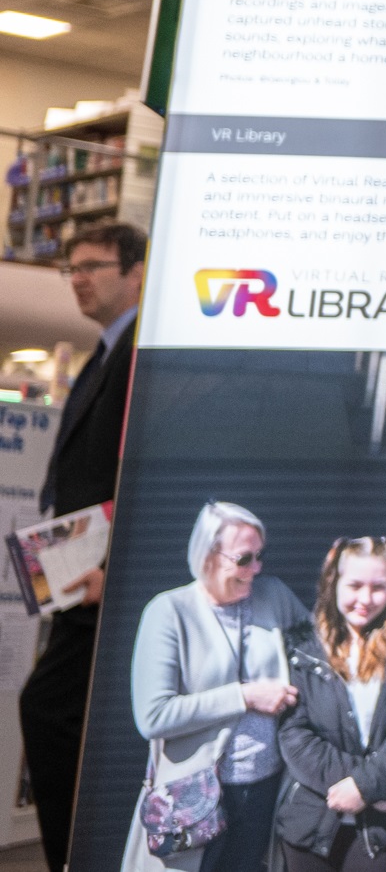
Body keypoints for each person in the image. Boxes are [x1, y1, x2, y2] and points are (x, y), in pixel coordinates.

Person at [22, 221, 146, 871]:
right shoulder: (103, 351)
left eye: (94, 264)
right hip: (78, 565)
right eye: (72, 266)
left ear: (136, 273)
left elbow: (134, 468)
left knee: (46, 709)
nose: (79, 277)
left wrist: (109, 563)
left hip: (104, 574)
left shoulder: (138, 355)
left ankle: (81, 854)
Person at [126, 501, 308, 872]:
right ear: (208, 554)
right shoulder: (169, 611)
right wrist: (244, 696)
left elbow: (321, 653)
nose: (256, 569)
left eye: (260, 556)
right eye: (244, 559)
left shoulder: (273, 595)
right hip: (193, 798)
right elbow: (153, 715)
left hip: (262, 791)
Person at [274, 537, 386, 872]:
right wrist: (368, 787)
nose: (365, 599)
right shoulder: (302, 645)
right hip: (309, 821)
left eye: (378, 587)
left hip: (383, 828)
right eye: (355, 585)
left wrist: (367, 787)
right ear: (333, 582)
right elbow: (294, 733)